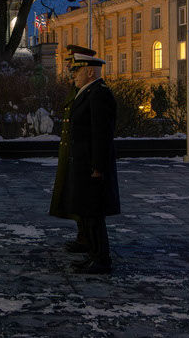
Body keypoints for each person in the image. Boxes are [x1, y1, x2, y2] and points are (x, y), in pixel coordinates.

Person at [62, 51, 120, 274]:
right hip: (84, 163)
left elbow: (101, 134)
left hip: (92, 166)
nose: (73, 75)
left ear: (89, 71)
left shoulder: (98, 94)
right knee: (87, 211)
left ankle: (101, 258)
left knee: (94, 213)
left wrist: (98, 166)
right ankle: (94, 254)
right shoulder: (89, 93)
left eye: (76, 71)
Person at [49, 45, 96, 255]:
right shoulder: (78, 89)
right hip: (73, 153)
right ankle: (83, 237)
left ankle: (88, 240)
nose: (69, 68)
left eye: (72, 65)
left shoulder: (90, 92)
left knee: (85, 202)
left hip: (81, 155)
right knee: (75, 198)